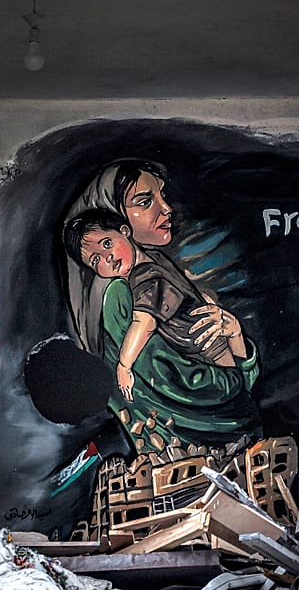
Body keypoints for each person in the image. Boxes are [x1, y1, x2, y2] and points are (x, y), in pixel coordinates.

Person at [62, 163, 262, 450]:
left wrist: (234, 335)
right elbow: (198, 389)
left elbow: (241, 381)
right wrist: (236, 374)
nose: (166, 209)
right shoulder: (119, 295)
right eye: (145, 202)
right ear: (116, 215)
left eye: (161, 196)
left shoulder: (156, 266)